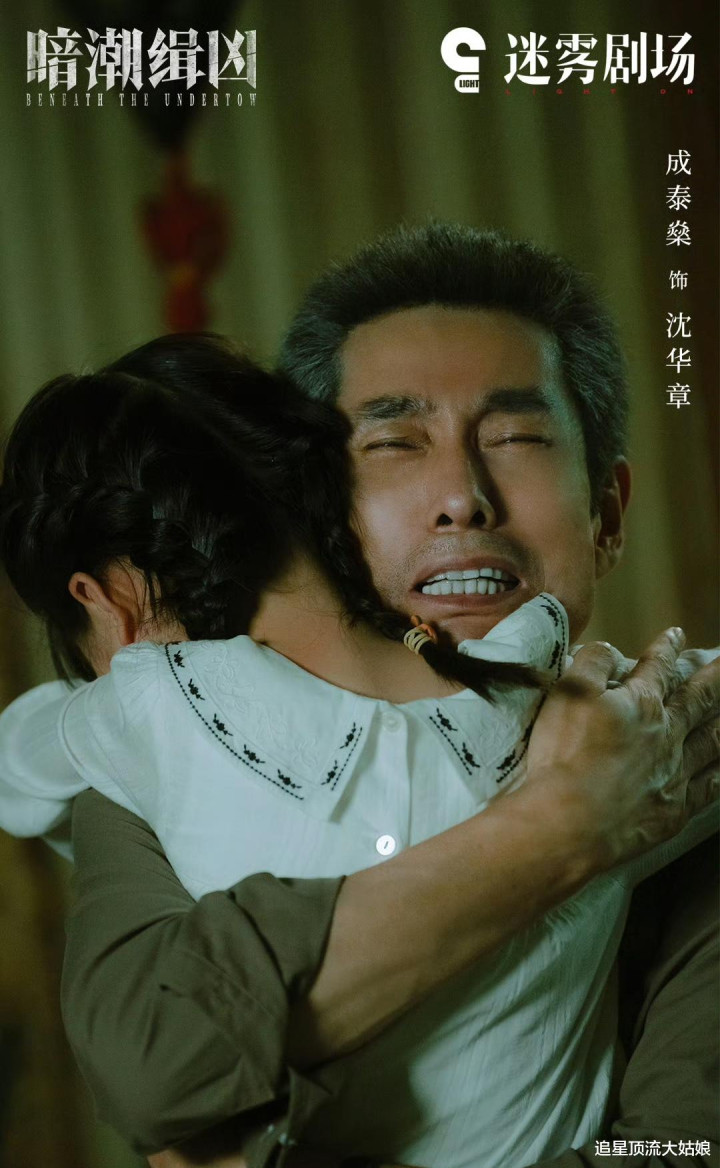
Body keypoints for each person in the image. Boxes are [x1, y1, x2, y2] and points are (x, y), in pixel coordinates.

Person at [3, 225, 718, 1162]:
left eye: (517, 436)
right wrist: (566, 824)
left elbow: (679, 1151)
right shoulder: (153, 766)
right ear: (315, 502)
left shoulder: (679, 748)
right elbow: (153, 1062)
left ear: (608, 514)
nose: (461, 497)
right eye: (393, 443)